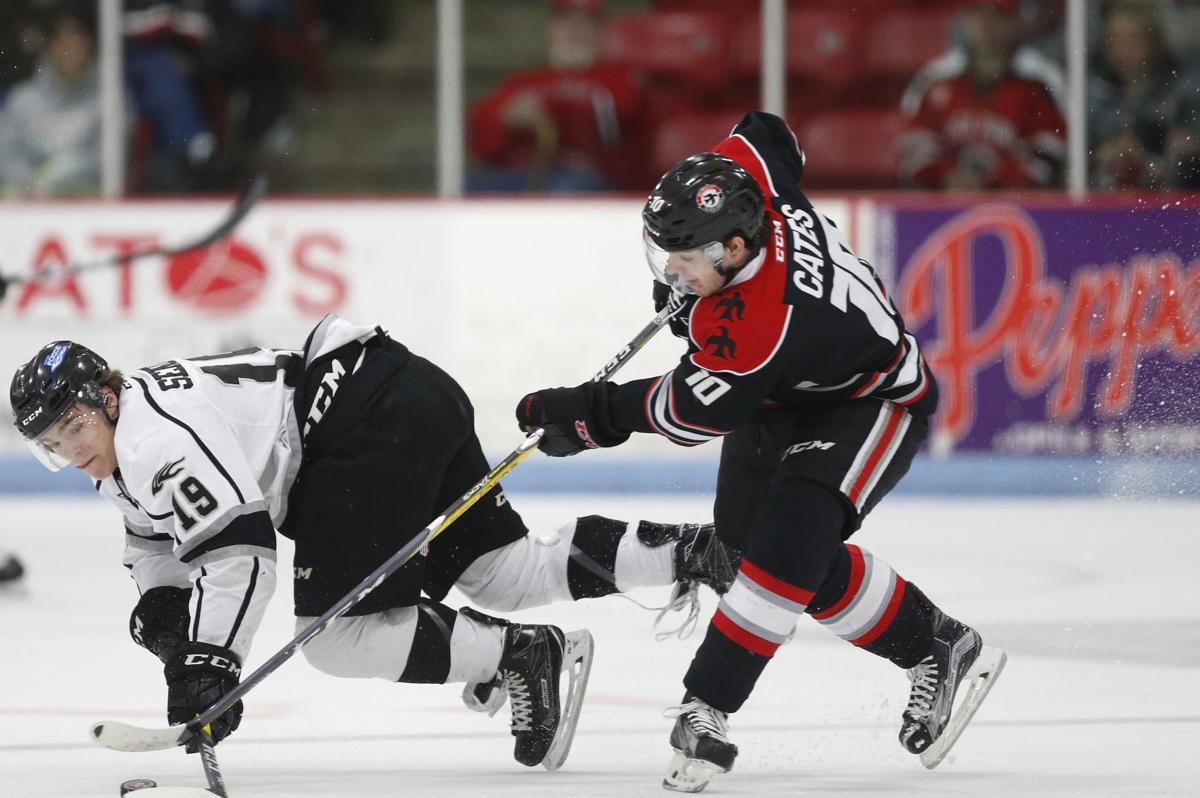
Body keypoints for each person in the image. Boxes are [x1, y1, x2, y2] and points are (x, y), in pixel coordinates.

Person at [516, 110, 1007, 791]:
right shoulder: (749, 180)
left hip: (870, 402)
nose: (671, 269)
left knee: (786, 545)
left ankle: (706, 709)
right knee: (756, 552)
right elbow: (767, 132)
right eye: (666, 256)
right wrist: (697, 260)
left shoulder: (760, 324)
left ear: (735, 248)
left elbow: (689, 412)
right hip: (781, 395)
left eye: (685, 258)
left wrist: (588, 415)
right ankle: (938, 644)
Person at [9, 315, 738, 769]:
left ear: (107, 397)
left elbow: (241, 554)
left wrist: (211, 659)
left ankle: (520, 654)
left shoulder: (150, 438)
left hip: (359, 425)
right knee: (501, 571)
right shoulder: (125, 447)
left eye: (74, 427)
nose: (71, 450)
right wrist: (171, 622)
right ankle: (692, 550)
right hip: (400, 390)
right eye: (52, 444)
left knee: (337, 637)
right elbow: (155, 544)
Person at [466, 0, 653, 193]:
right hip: (522, 175)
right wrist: (509, 117)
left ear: (601, 31)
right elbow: (480, 130)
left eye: (585, 22)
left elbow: (622, 126)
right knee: (470, 190)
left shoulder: (620, 80)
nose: (575, 29)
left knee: (565, 189)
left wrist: (552, 106)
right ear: (552, 29)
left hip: (589, 179)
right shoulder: (526, 81)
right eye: (566, 21)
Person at [897, 0, 1066, 190]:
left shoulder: (1041, 79)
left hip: (1019, 203)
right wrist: (946, 176)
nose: (986, 23)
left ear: (1016, 19)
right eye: (976, 12)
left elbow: (1052, 151)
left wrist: (994, 182)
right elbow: (913, 146)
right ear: (963, 17)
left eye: (998, 13)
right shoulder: (935, 77)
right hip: (944, 202)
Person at [1087, 2, 1200, 190]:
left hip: (1167, 195)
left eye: (1132, 42)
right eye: (1116, 42)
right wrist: (1100, 155)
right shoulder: (1095, 94)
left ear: (1154, 44)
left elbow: (1188, 149)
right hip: (1104, 195)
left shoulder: (1181, 93)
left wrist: (1154, 154)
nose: (1123, 51)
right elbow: (1074, 155)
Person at [0, 0, 102, 198]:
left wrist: (58, 178)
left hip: (86, 201)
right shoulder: (22, 101)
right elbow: (6, 156)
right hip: (29, 200)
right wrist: (33, 182)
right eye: (65, 43)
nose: (73, 52)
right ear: (50, 47)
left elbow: (110, 159)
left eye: (79, 43)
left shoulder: (107, 98)